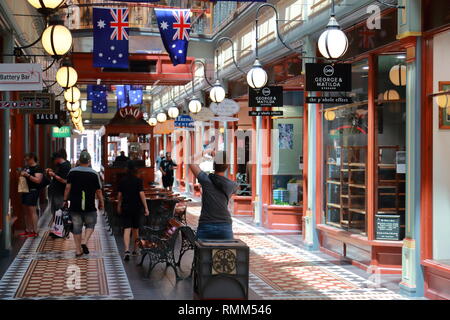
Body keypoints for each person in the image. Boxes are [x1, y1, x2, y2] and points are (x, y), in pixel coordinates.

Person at [189, 151, 238, 241]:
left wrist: (205, 151)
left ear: (213, 165)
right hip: (224, 225)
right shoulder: (232, 185)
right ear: (227, 167)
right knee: (226, 254)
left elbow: (190, 161)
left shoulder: (206, 180)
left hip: (206, 225)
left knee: (202, 254)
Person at [63, 151, 104, 257]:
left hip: (75, 205)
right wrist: (101, 202)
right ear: (89, 161)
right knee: (90, 224)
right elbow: (98, 191)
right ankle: (84, 241)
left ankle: (78, 250)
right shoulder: (94, 173)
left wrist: (65, 200)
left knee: (76, 227)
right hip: (89, 205)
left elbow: (68, 187)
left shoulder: (72, 172)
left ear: (79, 161)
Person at [117, 162, 149, 261]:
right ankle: (135, 249)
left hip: (126, 207)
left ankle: (126, 250)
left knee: (127, 229)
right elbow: (141, 194)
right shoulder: (138, 181)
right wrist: (146, 207)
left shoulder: (123, 181)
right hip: (136, 207)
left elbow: (119, 195)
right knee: (136, 229)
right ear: (135, 170)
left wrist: (118, 205)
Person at [19, 153, 44, 238]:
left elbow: (38, 180)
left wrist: (28, 175)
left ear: (32, 158)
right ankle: (28, 230)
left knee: (32, 210)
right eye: (25, 160)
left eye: (28, 159)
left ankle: (35, 231)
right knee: (26, 211)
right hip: (25, 190)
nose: (27, 161)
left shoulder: (37, 168)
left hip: (33, 191)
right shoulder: (26, 167)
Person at [47, 150, 71, 219]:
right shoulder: (62, 165)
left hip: (60, 193)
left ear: (57, 158)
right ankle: (56, 227)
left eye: (53, 160)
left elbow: (65, 181)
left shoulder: (65, 166)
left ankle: (58, 228)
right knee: (56, 212)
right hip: (57, 192)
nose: (53, 162)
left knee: (59, 212)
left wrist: (53, 175)